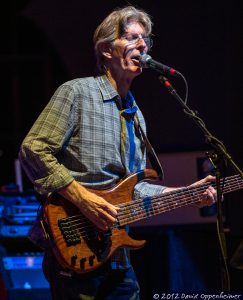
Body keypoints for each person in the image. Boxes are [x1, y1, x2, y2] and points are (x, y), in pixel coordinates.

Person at [19, 5, 216, 300]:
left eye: (145, 39)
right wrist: (84, 199)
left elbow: (134, 188)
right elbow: (33, 148)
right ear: (107, 50)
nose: (142, 44)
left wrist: (186, 194)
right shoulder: (77, 93)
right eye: (132, 37)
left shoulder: (137, 116)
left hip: (116, 254)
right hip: (74, 248)